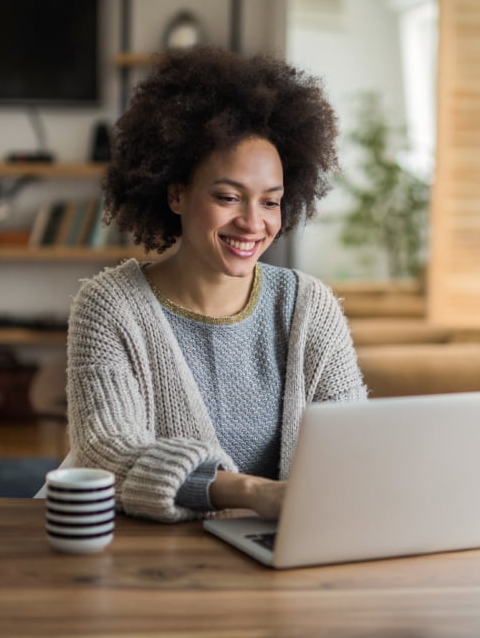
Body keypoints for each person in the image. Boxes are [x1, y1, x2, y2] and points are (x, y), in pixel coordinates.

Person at [60, 46, 368, 523]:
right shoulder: (109, 306)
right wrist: (250, 491)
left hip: (282, 552)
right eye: (228, 197)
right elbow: (107, 453)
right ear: (176, 193)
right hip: (156, 558)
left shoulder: (309, 306)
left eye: (270, 202)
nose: (252, 223)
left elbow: (352, 443)